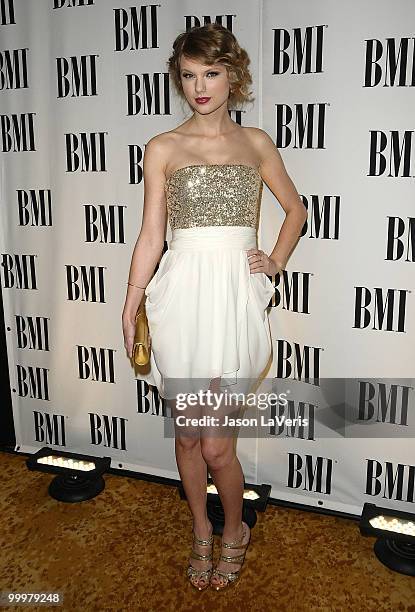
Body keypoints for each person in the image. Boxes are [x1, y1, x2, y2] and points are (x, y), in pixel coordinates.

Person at [122, 23, 307, 591]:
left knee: (217, 444)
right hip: (180, 294)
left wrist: (272, 262)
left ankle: (234, 531)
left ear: (233, 74)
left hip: (231, 297)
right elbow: (153, 233)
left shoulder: (255, 143)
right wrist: (132, 301)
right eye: (188, 75)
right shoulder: (163, 147)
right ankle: (200, 529)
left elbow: (296, 211)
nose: (199, 86)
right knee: (186, 438)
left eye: (211, 73)